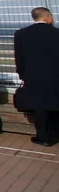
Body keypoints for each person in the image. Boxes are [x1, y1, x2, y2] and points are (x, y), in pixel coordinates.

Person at [15, 8, 59, 146]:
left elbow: (19, 58)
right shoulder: (56, 33)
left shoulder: (21, 34)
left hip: (34, 76)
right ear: (47, 17)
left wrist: (22, 74)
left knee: (40, 107)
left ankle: (44, 137)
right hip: (56, 75)